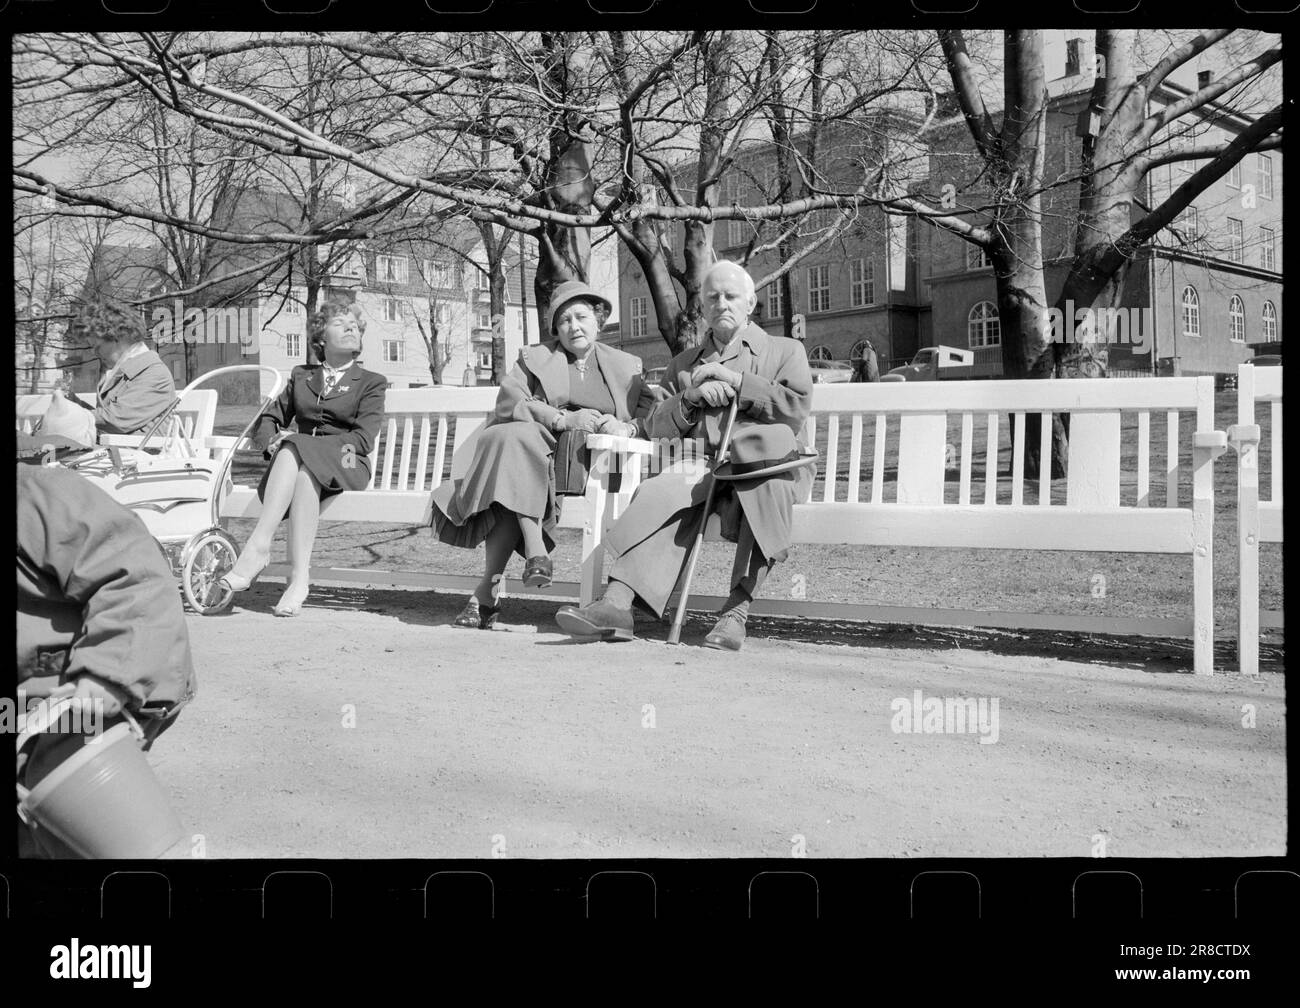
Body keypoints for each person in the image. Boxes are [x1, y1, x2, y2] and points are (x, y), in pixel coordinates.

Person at [555, 260, 815, 652]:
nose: (721, 303)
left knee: (768, 489)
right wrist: (689, 399)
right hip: (702, 464)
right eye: (713, 298)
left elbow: (794, 407)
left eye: (731, 296)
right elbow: (655, 425)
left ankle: (736, 612)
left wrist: (740, 383)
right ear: (704, 308)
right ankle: (617, 605)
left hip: (763, 463)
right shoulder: (684, 363)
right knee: (663, 487)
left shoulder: (784, 351)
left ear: (751, 303)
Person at [429, 280, 659, 630]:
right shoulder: (535, 358)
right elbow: (510, 401)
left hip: (595, 467)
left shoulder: (626, 365)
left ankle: (488, 593)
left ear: (599, 321)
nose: (573, 326)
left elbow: (650, 416)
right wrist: (561, 418)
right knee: (513, 450)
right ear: (555, 329)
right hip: (539, 458)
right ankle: (525, 562)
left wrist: (622, 426)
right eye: (564, 320)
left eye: (581, 317)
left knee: (511, 476)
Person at [17, 464, 197, 858]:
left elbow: (137, 580)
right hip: (20, 707)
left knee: (74, 784)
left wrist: (104, 678)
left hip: (103, 680)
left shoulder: (39, 497)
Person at [218, 299, 387, 616]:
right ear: (321, 338)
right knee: (304, 473)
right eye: (340, 323)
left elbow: (363, 439)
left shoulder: (371, 382)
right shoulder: (301, 376)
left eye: (354, 324)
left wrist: (295, 442)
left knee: (296, 446)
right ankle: (299, 580)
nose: (351, 327)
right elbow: (268, 420)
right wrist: (271, 444)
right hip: (302, 465)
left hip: (350, 461)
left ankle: (259, 545)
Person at [49, 300, 178, 438]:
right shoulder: (118, 371)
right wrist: (72, 402)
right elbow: (107, 418)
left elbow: (116, 420)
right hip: (117, 450)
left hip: (143, 455)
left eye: (97, 346)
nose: (94, 353)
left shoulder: (154, 372)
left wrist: (70, 415)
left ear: (117, 337)